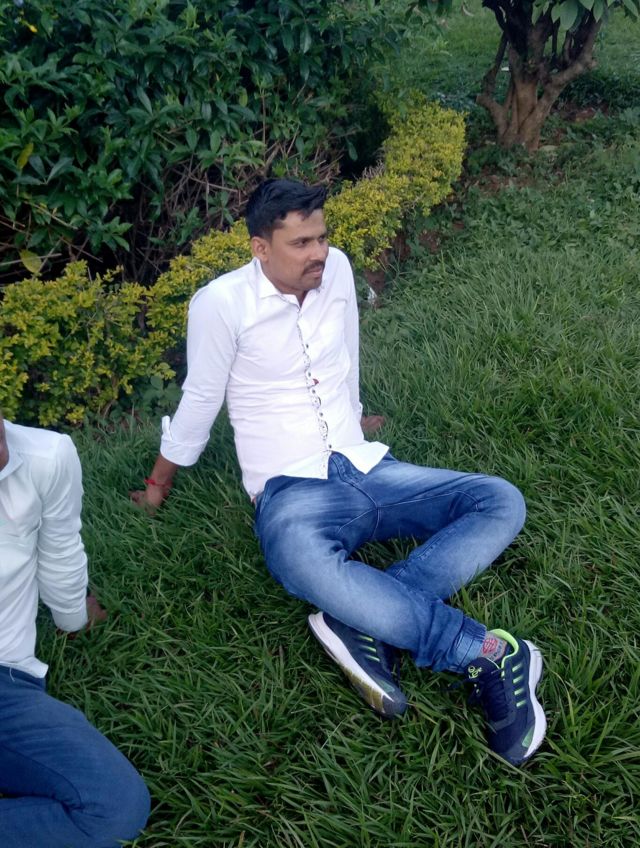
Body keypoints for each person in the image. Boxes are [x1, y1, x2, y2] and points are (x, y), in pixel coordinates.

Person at [132, 178, 547, 766]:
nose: (319, 254)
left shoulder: (338, 271)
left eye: (322, 238)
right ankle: (486, 654)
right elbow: (200, 399)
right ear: (260, 248)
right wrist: (158, 485)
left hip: (367, 465)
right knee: (298, 559)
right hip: (292, 487)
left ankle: (359, 619)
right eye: (301, 243)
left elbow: (346, 353)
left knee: (500, 500)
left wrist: (354, 416)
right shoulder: (220, 304)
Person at [0, 412, 150, 847]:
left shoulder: (46, 457)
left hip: (7, 683)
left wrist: (73, 616)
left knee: (113, 809)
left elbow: (60, 549)